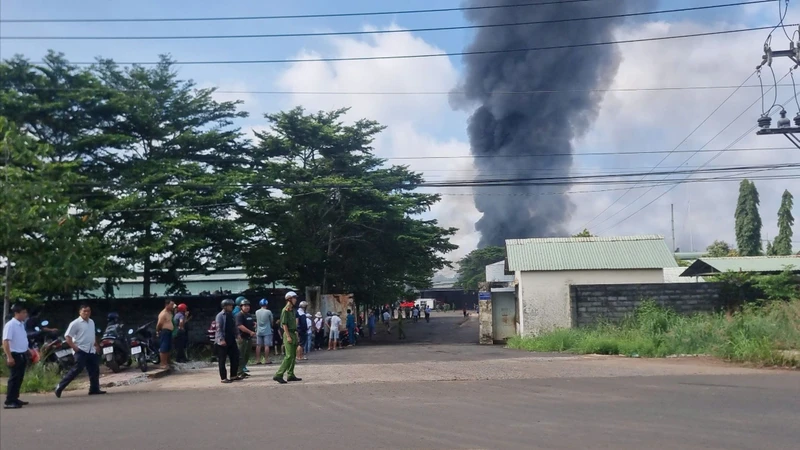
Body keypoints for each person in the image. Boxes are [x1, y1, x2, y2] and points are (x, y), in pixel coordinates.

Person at [55, 304, 106, 398]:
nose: (87, 313)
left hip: (91, 349)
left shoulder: (91, 322)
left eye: (88, 311)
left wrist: (96, 345)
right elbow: (67, 336)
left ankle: (94, 389)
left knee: (94, 369)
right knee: (77, 369)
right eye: (84, 311)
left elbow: (92, 334)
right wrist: (74, 347)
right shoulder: (75, 323)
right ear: (80, 312)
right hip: (80, 349)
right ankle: (60, 386)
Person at [3, 304, 33, 409]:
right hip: (14, 354)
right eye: (23, 312)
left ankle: (15, 398)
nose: (25, 315)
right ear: (17, 313)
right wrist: (9, 357)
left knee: (19, 377)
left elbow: (22, 339)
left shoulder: (21, 324)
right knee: (14, 378)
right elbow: (5, 341)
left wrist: (28, 350)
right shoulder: (10, 325)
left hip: (22, 353)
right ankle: (9, 400)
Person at [274, 291, 302, 384]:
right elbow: (284, 324)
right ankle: (278, 374)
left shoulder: (292, 310)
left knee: (293, 356)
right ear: (289, 299)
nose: (295, 300)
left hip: (293, 333)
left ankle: (290, 374)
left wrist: (295, 334)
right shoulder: (285, 310)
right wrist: (289, 336)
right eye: (294, 298)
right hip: (288, 333)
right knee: (289, 356)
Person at [215, 299, 240, 383]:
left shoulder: (231, 315)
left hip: (231, 339)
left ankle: (233, 375)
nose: (231, 307)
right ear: (225, 306)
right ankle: (223, 378)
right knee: (222, 360)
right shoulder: (220, 316)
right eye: (230, 305)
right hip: (222, 340)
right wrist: (221, 339)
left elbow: (234, 326)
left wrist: (237, 334)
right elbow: (219, 329)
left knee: (235, 357)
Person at [236, 299, 256, 378]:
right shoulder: (239, 315)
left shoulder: (249, 315)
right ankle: (239, 372)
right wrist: (249, 332)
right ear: (241, 307)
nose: (247, 307)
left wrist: (254, 324)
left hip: (249, 338)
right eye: (245, 306)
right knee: (240, 355)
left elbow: (251, 323)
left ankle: (243, 370)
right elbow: (240, 326)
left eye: (248, 306)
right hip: (242, 338)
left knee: (247, 355)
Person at [155, 299, 175, 369]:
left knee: (168, 347)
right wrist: (158, 331)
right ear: (167, 305)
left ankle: (167, 362)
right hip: (164, 331)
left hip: (169, 331)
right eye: (171, 305)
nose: (173, 306)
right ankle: (163, 363)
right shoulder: (163, 314)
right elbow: (159, 324)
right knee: (164, 347)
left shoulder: (169, 313)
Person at [255, 299, 273, 364]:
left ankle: (257, 360)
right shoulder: (268, 312)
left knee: (258, 345)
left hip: (259, 330)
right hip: (267, 330)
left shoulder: (257, 312)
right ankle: (266, 359)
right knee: (266, 345)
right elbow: (271, 321)